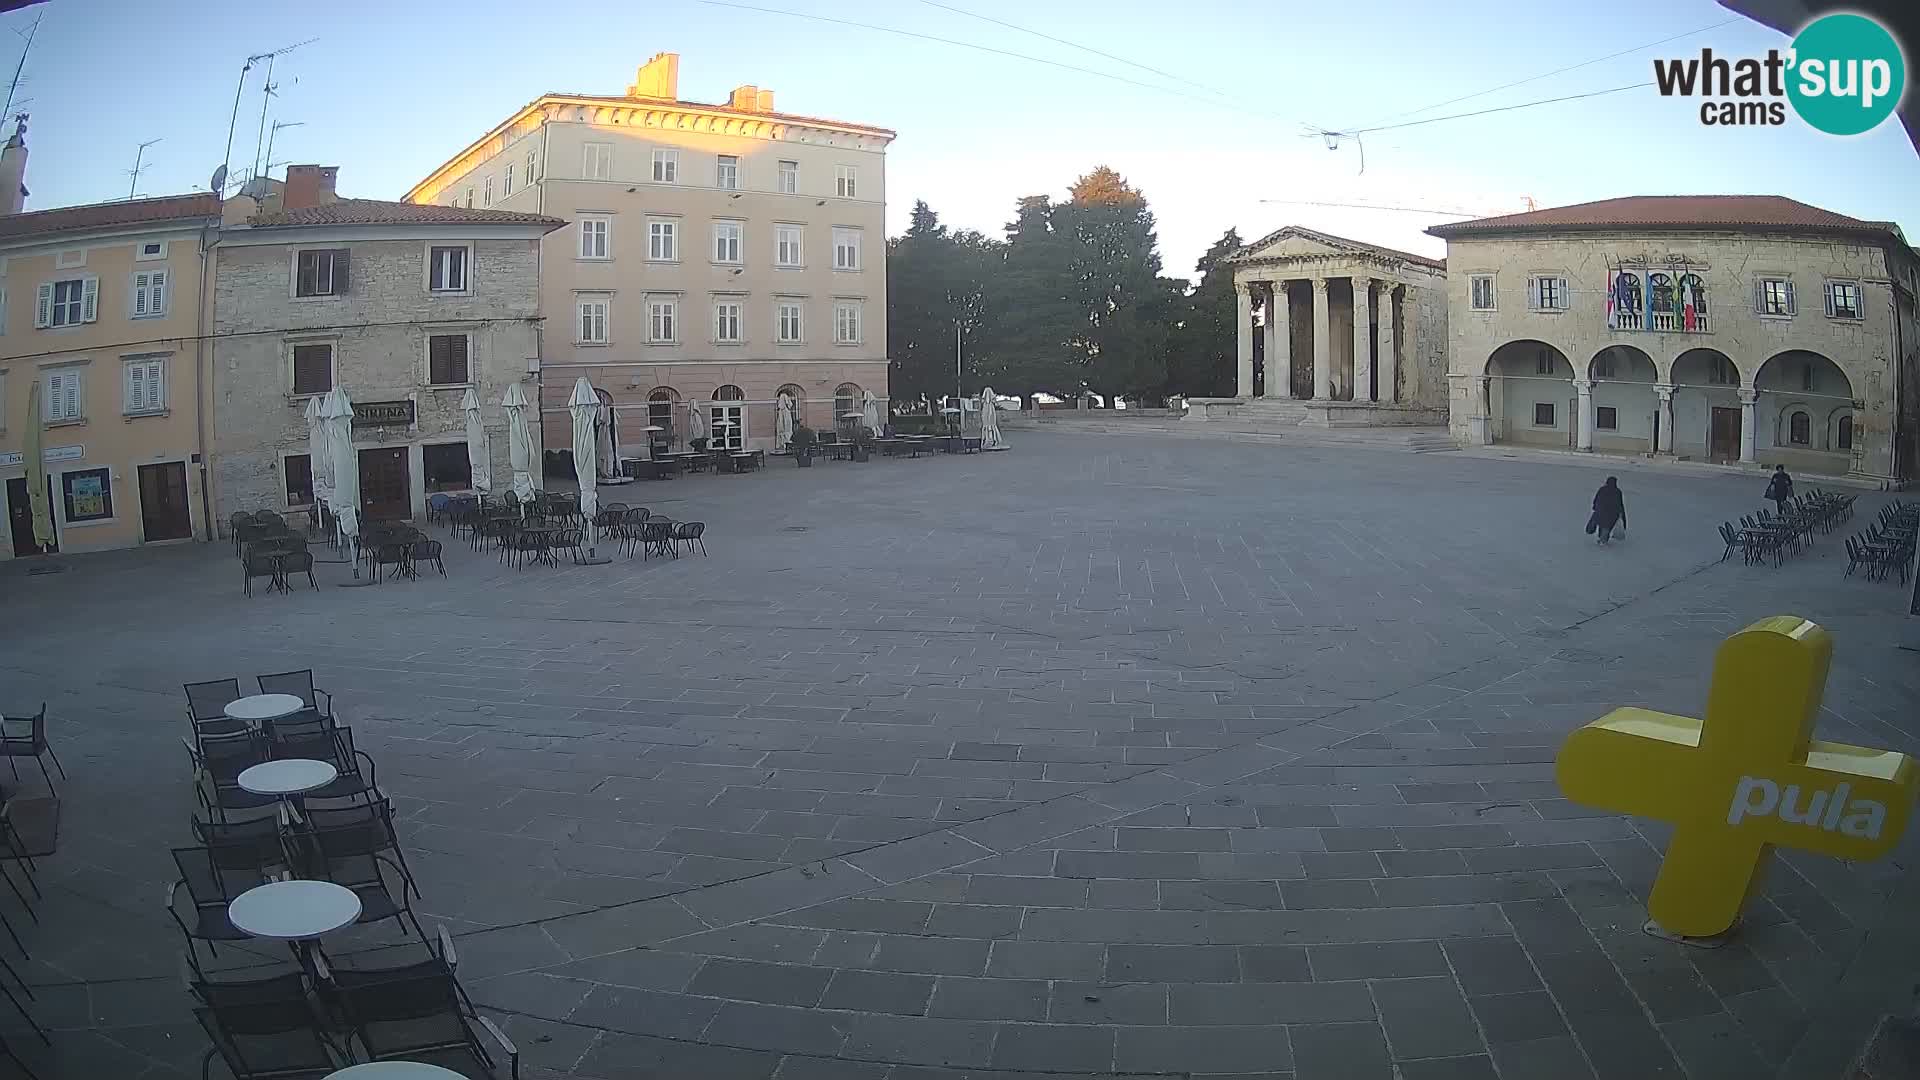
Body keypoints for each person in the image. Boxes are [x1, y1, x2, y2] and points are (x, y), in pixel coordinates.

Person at [1588, 476, 1627, 545]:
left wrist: (1595, 507)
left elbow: (1596, 499)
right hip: (1612, 514)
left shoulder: (1602, 489)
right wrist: (1622, 516)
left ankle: (1602, 539)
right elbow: (1620, 504)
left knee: (1602, 525)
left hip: (1601, 512)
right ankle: (1603, 540)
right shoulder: (1617, 492)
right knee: (1607, 527)